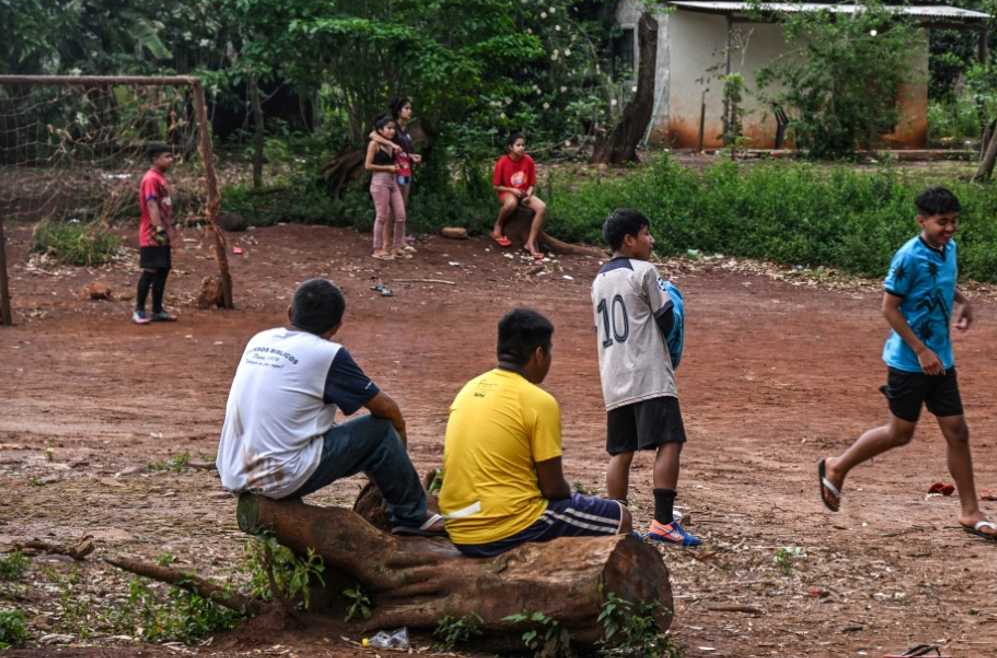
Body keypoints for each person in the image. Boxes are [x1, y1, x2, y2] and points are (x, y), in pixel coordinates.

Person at [817, 187, 997, 542]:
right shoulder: (908, 257)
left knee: (958, 431)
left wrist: (963, 302)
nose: (949, 228)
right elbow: (889, 308)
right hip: (909, 363)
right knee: (899, 433)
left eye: (954, 222)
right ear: (922, 220)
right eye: (941, 222)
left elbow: (942, 283)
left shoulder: (948, 250)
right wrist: (920, 351)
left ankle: (970, 512)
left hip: (942, 361)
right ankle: (837, 466)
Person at [216, 278, 442, 536]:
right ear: (336, 326)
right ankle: (411, 515)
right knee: (379, 429)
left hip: (233, 470)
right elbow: (385, 408)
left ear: (291, 312)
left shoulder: (260, 339)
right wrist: (400, 437)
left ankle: (394, 497)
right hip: (278, 476)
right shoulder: (328, 354)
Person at [440, 308, 632, 557]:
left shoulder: (469, 389)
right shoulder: (538, 401)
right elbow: (552, 488)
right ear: (539, 354)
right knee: (619, 516)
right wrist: (574, 497)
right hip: (504, 527)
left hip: (458, 528)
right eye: (550, 350)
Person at [592, 209, 701, 546]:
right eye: (646, 233)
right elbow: (668, 319)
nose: (651, 240)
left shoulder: (598, 280)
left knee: (621, 451)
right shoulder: (644, 272)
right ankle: (663, 522)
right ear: (629, 240)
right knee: (670, 441)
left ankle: (619, 525)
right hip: (649, 373)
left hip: (613, 376)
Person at [133, 142, 177, 325]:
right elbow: (151, 204)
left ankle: (158, 310)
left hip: (162, 232)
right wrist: (158, 228)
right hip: (152, 234)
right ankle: (139, 310)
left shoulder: (160, 177)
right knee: (150, 270)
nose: (171, 160)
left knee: (163, 270)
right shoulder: (151, 178)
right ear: (155, 159)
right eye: (167, 156)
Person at [370, 97, 421, 251]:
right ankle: (386, 243)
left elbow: (403, 152)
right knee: (390, 210)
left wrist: (412, 156)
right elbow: (373, 135)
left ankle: (400, 242)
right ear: (398, 111)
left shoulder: (406, 130)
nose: (409, 111)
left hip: (405, 171)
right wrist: (391, 143)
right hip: (393, 173)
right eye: (406, 108)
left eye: (410, 108)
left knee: (401, 209)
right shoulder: (392, 128)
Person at [490, 132, 546, 260]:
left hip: (524, 193)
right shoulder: (502, 162)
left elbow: (532, 184)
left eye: (523, 145)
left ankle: (530, 243)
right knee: (511, 204)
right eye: (518, 145)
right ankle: (498, 225)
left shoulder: (528, 160)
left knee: (542, 207)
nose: (521, 148)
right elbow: (496, 186)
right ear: (510, 147)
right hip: (507, 192)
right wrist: (512, 190)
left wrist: (529, 194)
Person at [365, 114, 408, 261]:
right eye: (388, 128)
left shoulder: (391, 144)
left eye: (393, 128)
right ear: (380, 130)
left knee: (401, 215)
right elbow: (368, 165)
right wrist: (388, 168)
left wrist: (408, 159)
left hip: (392, 181)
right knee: (382, 216)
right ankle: (377, 249)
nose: (391, 131)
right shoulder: (374, 144)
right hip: (379, 182)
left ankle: (396, 248)